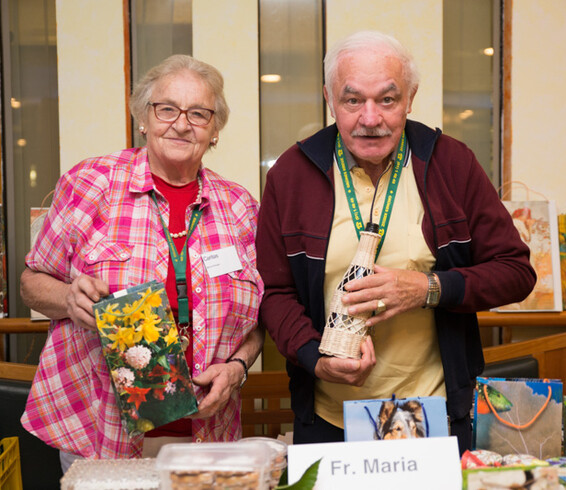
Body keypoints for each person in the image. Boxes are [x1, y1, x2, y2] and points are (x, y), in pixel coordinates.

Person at [256, 31, 536, 454]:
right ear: (329, 98)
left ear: (411, 98)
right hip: (330, 416)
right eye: (352, 101)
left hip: (433, 410)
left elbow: (516, 271)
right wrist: (316, 358)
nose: (371, 118)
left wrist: (428, 288)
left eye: (387, 100)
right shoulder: (291, 175)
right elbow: (275, 292)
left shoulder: (451, 163)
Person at [20, 55, 264, 469]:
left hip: (207, 437)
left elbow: (258, 320)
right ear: (143, 119)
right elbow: (30, 281)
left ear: (215, 130)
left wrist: (238, 367)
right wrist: (68, 299)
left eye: (199, 113)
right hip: (101, 433)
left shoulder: (240, 207)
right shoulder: (90, 183)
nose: (182, 124)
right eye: (166, 109)